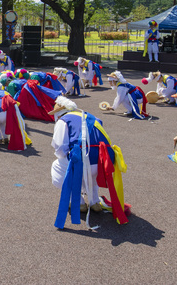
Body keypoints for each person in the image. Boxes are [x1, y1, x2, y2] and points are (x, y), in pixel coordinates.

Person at [48, 96, 129, 229]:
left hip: (83, 160)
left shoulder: (63, 120)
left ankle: (77, 201)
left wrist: (66, 157)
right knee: (91, 175)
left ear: (59, 112)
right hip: (103, 161)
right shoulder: (92, 117)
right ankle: (94, 201)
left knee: (58, 165)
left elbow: (59, 147)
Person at [0, 76, 31, 151]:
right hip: (11, 112)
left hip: (0, 111)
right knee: (3, 122)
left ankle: (0, 138)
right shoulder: (5, 92)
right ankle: (6, 138)